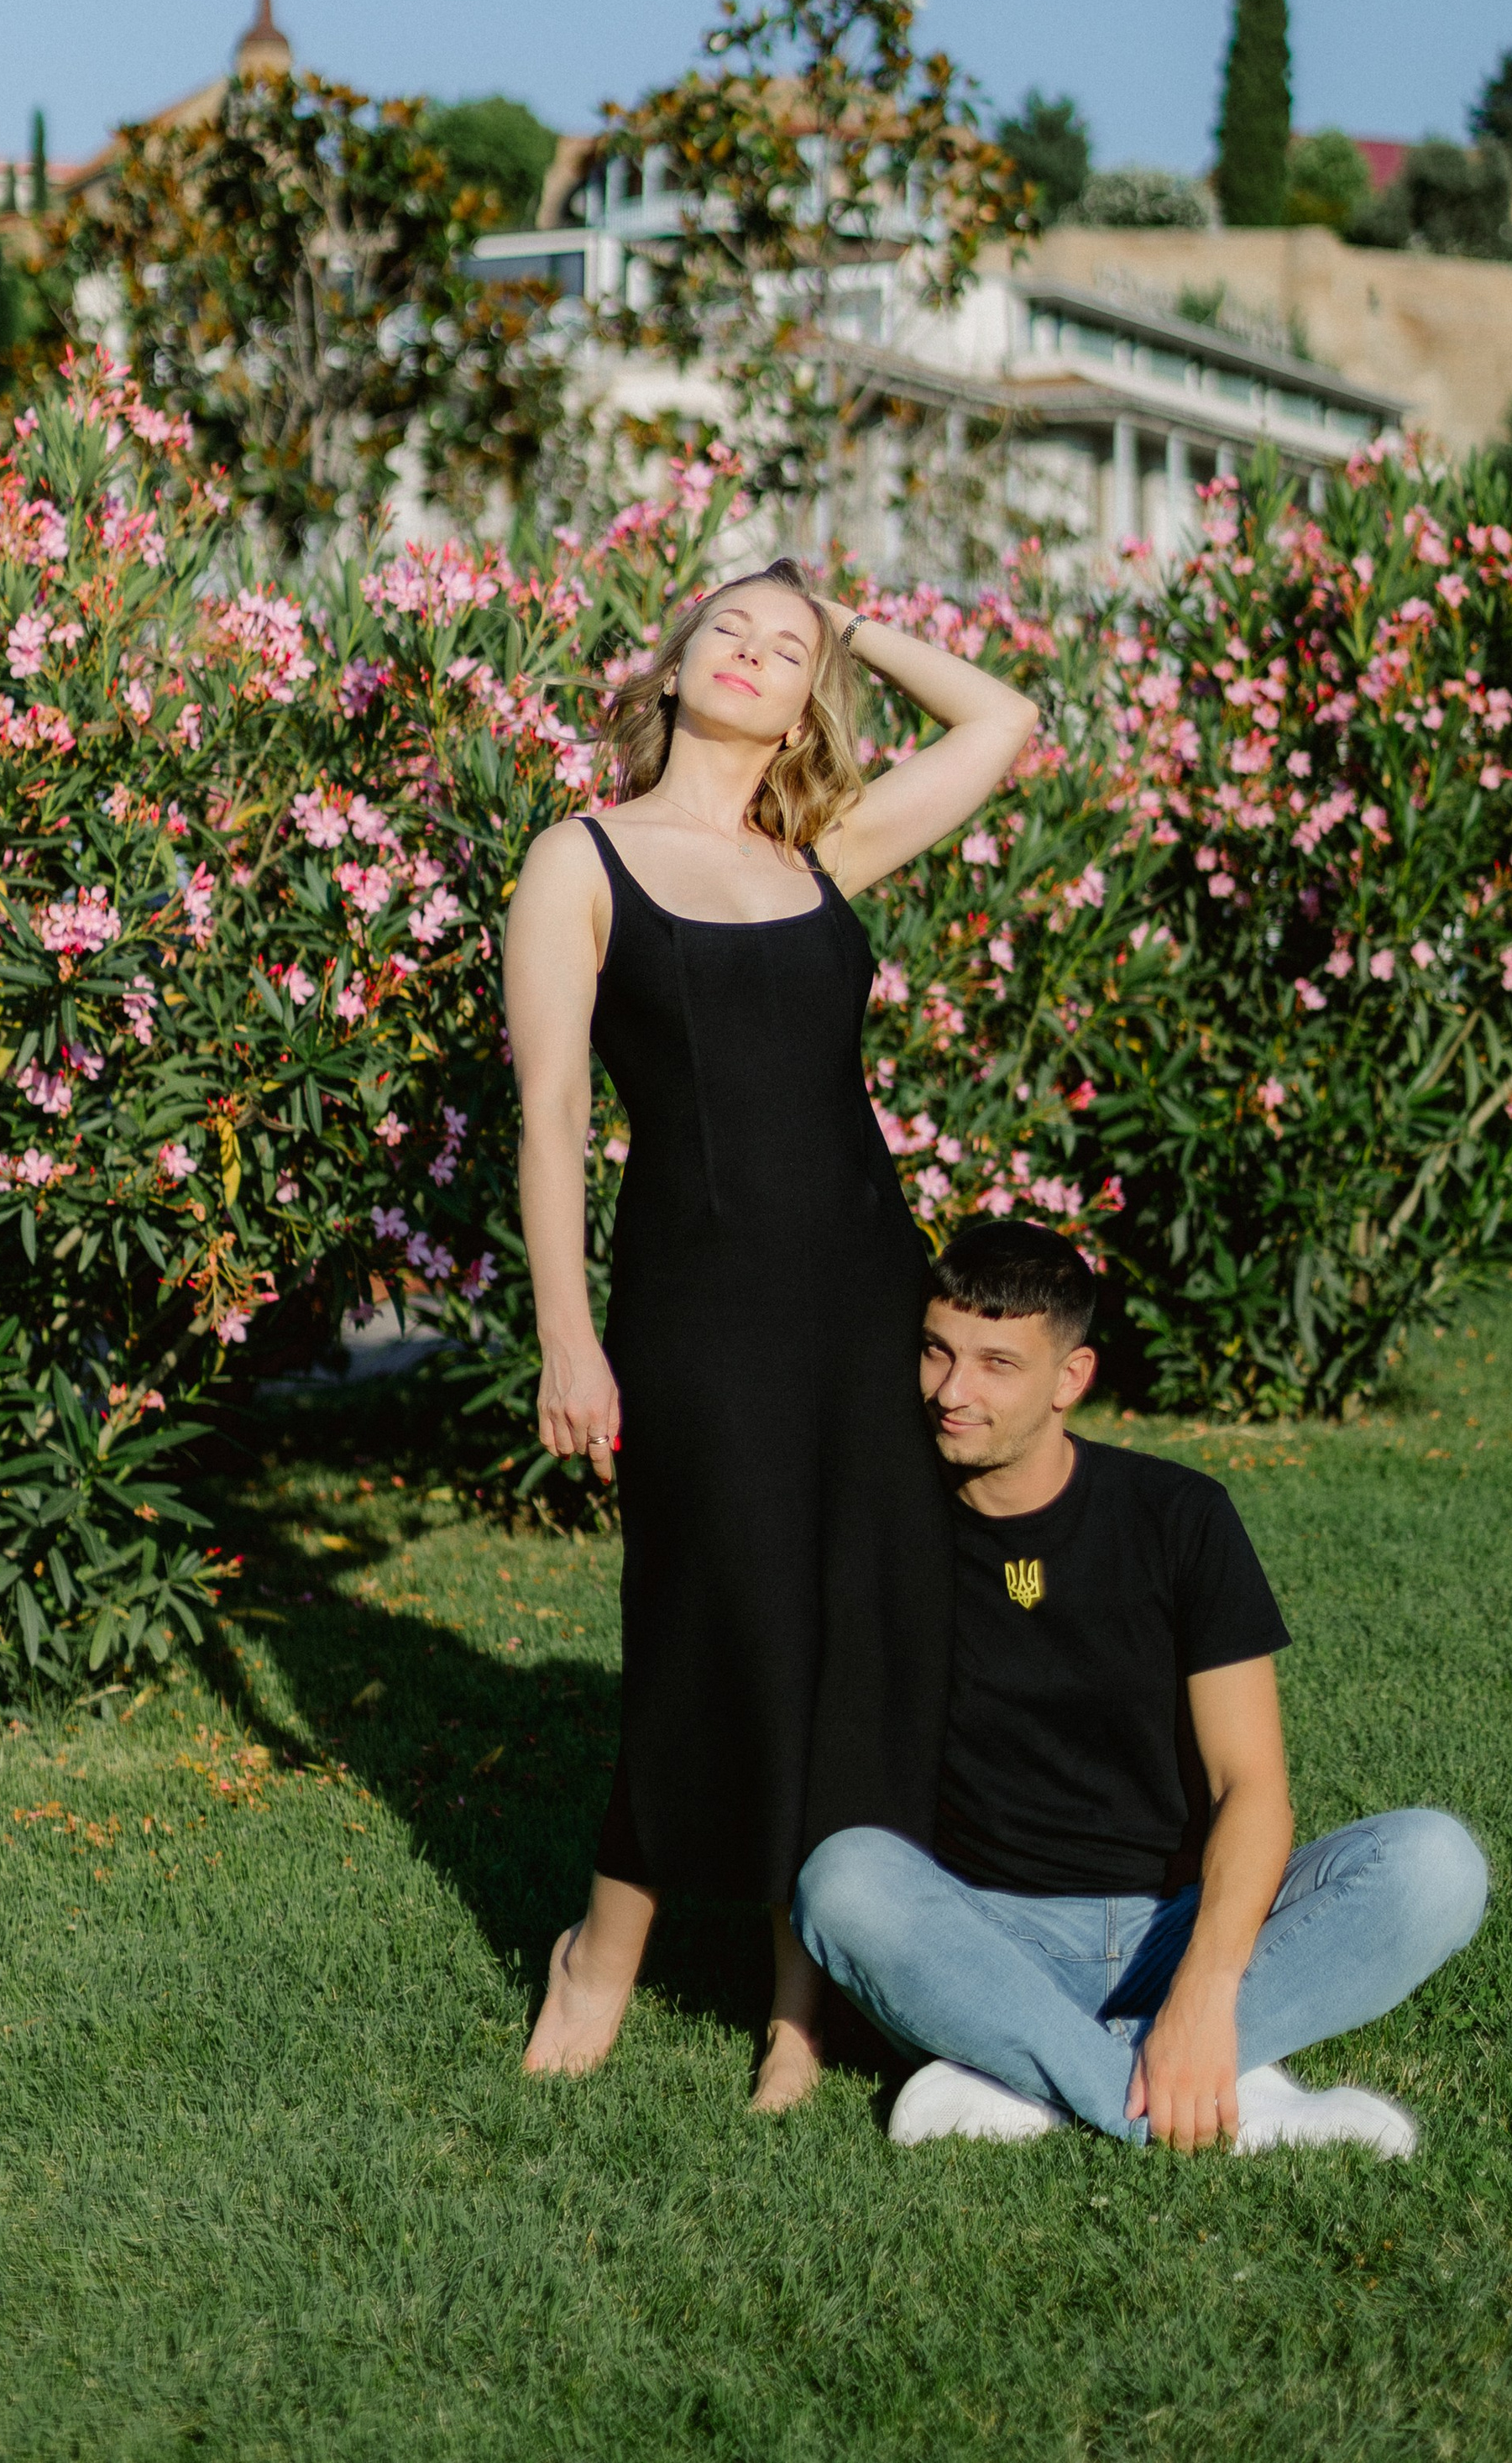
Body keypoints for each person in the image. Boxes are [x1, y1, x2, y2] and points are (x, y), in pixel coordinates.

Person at [505, 558, 1039, 2109]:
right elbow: (549, 1118)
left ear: (813, 696)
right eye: (726, 628)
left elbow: (1002, 721)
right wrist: (568, 1336)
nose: (753, 652)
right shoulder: (581, 858)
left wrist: (852, 624)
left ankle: (802, 2007)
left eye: (785, 648)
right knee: (707, 1619)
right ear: (670, 671)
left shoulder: (823, 854)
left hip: (872, 1298)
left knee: (860, 1628)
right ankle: (601, 1949)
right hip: (698, 1309)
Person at [794, 1220, 1489, 2151]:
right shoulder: (886, 1527)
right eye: (936, 1353)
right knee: (841, 1881)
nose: (952, 1393)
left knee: (1437, 1865)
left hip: (1176, 1922)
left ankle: (1042, 2078)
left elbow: (1251, 1787)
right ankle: (1197, 2097)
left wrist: (1202, 1989)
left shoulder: (1177, 1516)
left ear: (1069, 1380)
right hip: (989, 1943)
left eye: (997, 1364)